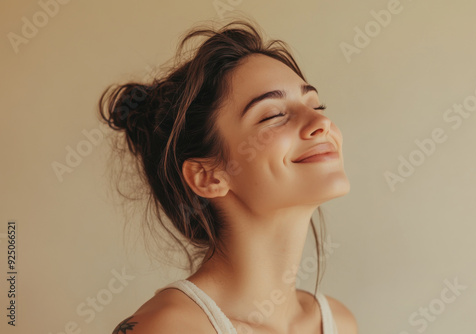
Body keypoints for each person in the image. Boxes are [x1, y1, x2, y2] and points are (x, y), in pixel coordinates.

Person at [98, 17, 357, 334]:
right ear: (207, 176)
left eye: (316, 105)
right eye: (273, 115)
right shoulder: (165, 328)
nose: (320, 123)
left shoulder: (337, 323)